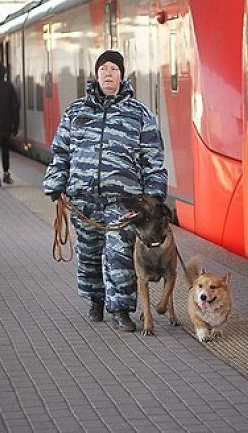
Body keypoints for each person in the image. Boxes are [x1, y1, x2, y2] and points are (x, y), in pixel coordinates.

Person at [43, 50, 167, 332]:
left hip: (123, 203)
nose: (108, 73)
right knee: (88, 253)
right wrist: (55, 185)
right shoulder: (76, 112)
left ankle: (121, 309)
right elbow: (61, 152)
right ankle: (96, 300)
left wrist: (154, 197)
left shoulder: (139, 114)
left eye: (114, 69)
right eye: (104, 69)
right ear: (96, 75)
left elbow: (153, 158)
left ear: (122, 75)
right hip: (82, 199)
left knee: (120, 254)